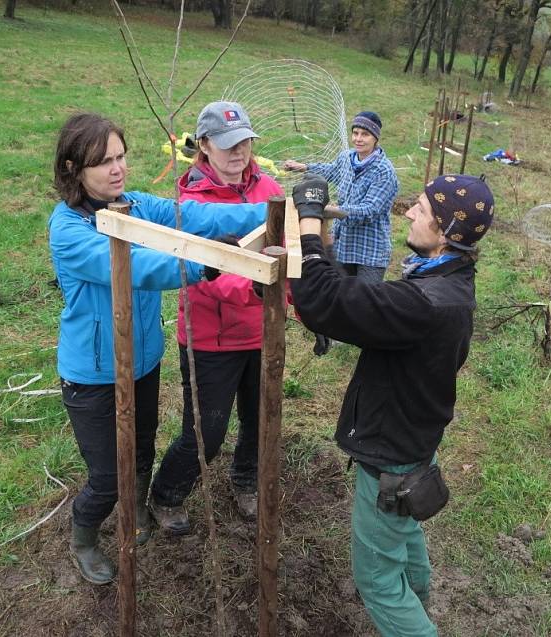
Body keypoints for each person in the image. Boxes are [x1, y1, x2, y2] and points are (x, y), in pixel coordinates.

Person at [49, 112, 267, 585]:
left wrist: (278, 206)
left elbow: (203, 215)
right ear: (72, 169)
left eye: (120, 156)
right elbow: (137, 263)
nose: (117, 169)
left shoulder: (136, 205)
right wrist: (207, 261)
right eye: (102, 162)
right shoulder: (69, 231)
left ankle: (137, 512)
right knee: (107, 474)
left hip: (142, 363)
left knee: (142, 449)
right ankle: (83, 538)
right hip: (92, 373)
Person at [288, 173, 494, 636]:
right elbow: (362, 302)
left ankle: (412, 622)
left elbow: (326, 300)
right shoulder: (452, 280)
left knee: (377, 580)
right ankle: (418, 604)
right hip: (416, 439)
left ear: (444, 233)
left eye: (421, 209)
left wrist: (308, 226)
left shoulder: (423, 303)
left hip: (392, 455)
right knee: (403, 531)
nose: (409, 213)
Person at [149, 101, 284, 530]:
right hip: (212, 337)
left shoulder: (268, 189)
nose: (238, 151)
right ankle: (165, 495)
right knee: (206, 432)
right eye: (227, 144)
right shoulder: (186, 202)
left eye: (244, 141)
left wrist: (297, 302)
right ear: (204, 145)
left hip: (263, 331)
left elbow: (288, 251)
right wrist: (256, 286)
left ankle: (246, 481)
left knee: (260, 418)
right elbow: (198, 273)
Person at [283, 111, 398, 283]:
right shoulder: (347, 158)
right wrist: (304, 167)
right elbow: (332, 171)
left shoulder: (384, 171)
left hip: (369, 252)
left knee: (365, 302)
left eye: (365, 134)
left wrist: (331, 211)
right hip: (343, 244)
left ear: (376, 138)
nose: (358, 138)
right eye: (355, 133)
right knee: (341, 296)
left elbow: (369, 210)